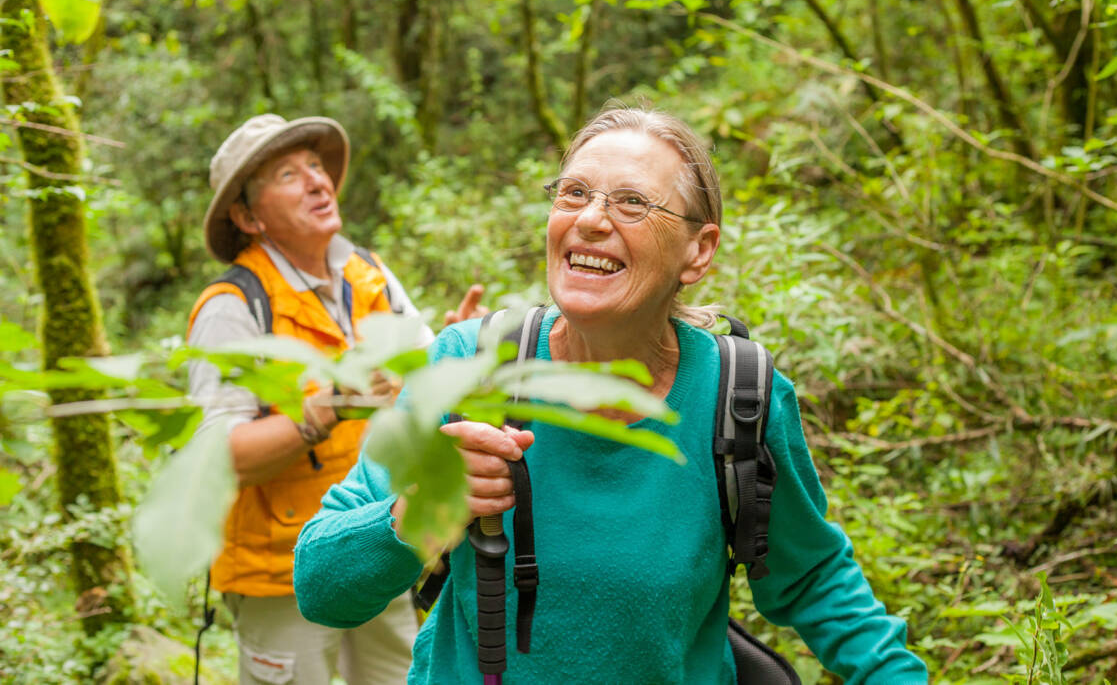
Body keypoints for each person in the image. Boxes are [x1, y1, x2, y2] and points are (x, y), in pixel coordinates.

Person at [292, 106, 929, 683]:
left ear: (698, 251)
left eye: (632, 203)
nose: (591, 220)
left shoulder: (739, 399)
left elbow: (812, 579)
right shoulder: (470, 367)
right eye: (574, 193)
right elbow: (320, 588)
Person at [187, 113, 484, 685]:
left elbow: (417, 379)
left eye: (315, 166)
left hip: (371, 542)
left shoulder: (368, 274)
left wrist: (452, 353)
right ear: (248, 217)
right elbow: (217, 458)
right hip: (276, 575)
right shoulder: (232, 307)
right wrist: (328, 407)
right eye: (288, 175)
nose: (317, 181)